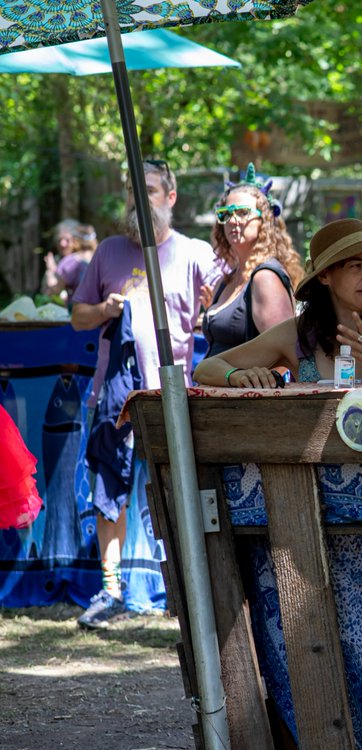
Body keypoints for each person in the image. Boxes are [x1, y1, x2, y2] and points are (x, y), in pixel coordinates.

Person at [70, 159, 221, 629]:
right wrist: (102, 309)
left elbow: (223, 306)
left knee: (176, 491)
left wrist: (207, 311)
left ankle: (184, 587)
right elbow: (77, 317)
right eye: (134, 191)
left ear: (170, 198)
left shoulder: (193, 253)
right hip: (115, 393)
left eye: (150, 189)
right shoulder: (109, 251)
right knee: (108, 489)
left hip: (171, 392)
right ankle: (111, 590)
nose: (140, 198)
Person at [193, 218, 362, 388]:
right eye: (355, 265)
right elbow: (206, 368)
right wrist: (237, 376)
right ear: (324, 275)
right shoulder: (296, 333)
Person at [202, 164, 304, 358]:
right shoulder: (224, 282)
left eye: (242, 212)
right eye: (226, 213)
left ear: (263, 221)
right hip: (212, 386)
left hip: (245, 388)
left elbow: (286, 355)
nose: (233, 220)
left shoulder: (266, 278)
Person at [42, 219, 97, 303]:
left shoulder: (71, 262)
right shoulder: (100, 256)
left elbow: (53, 290)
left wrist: (50, 271)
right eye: (59, 240)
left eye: (67, 240)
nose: (62, 244)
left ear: (76, 240)